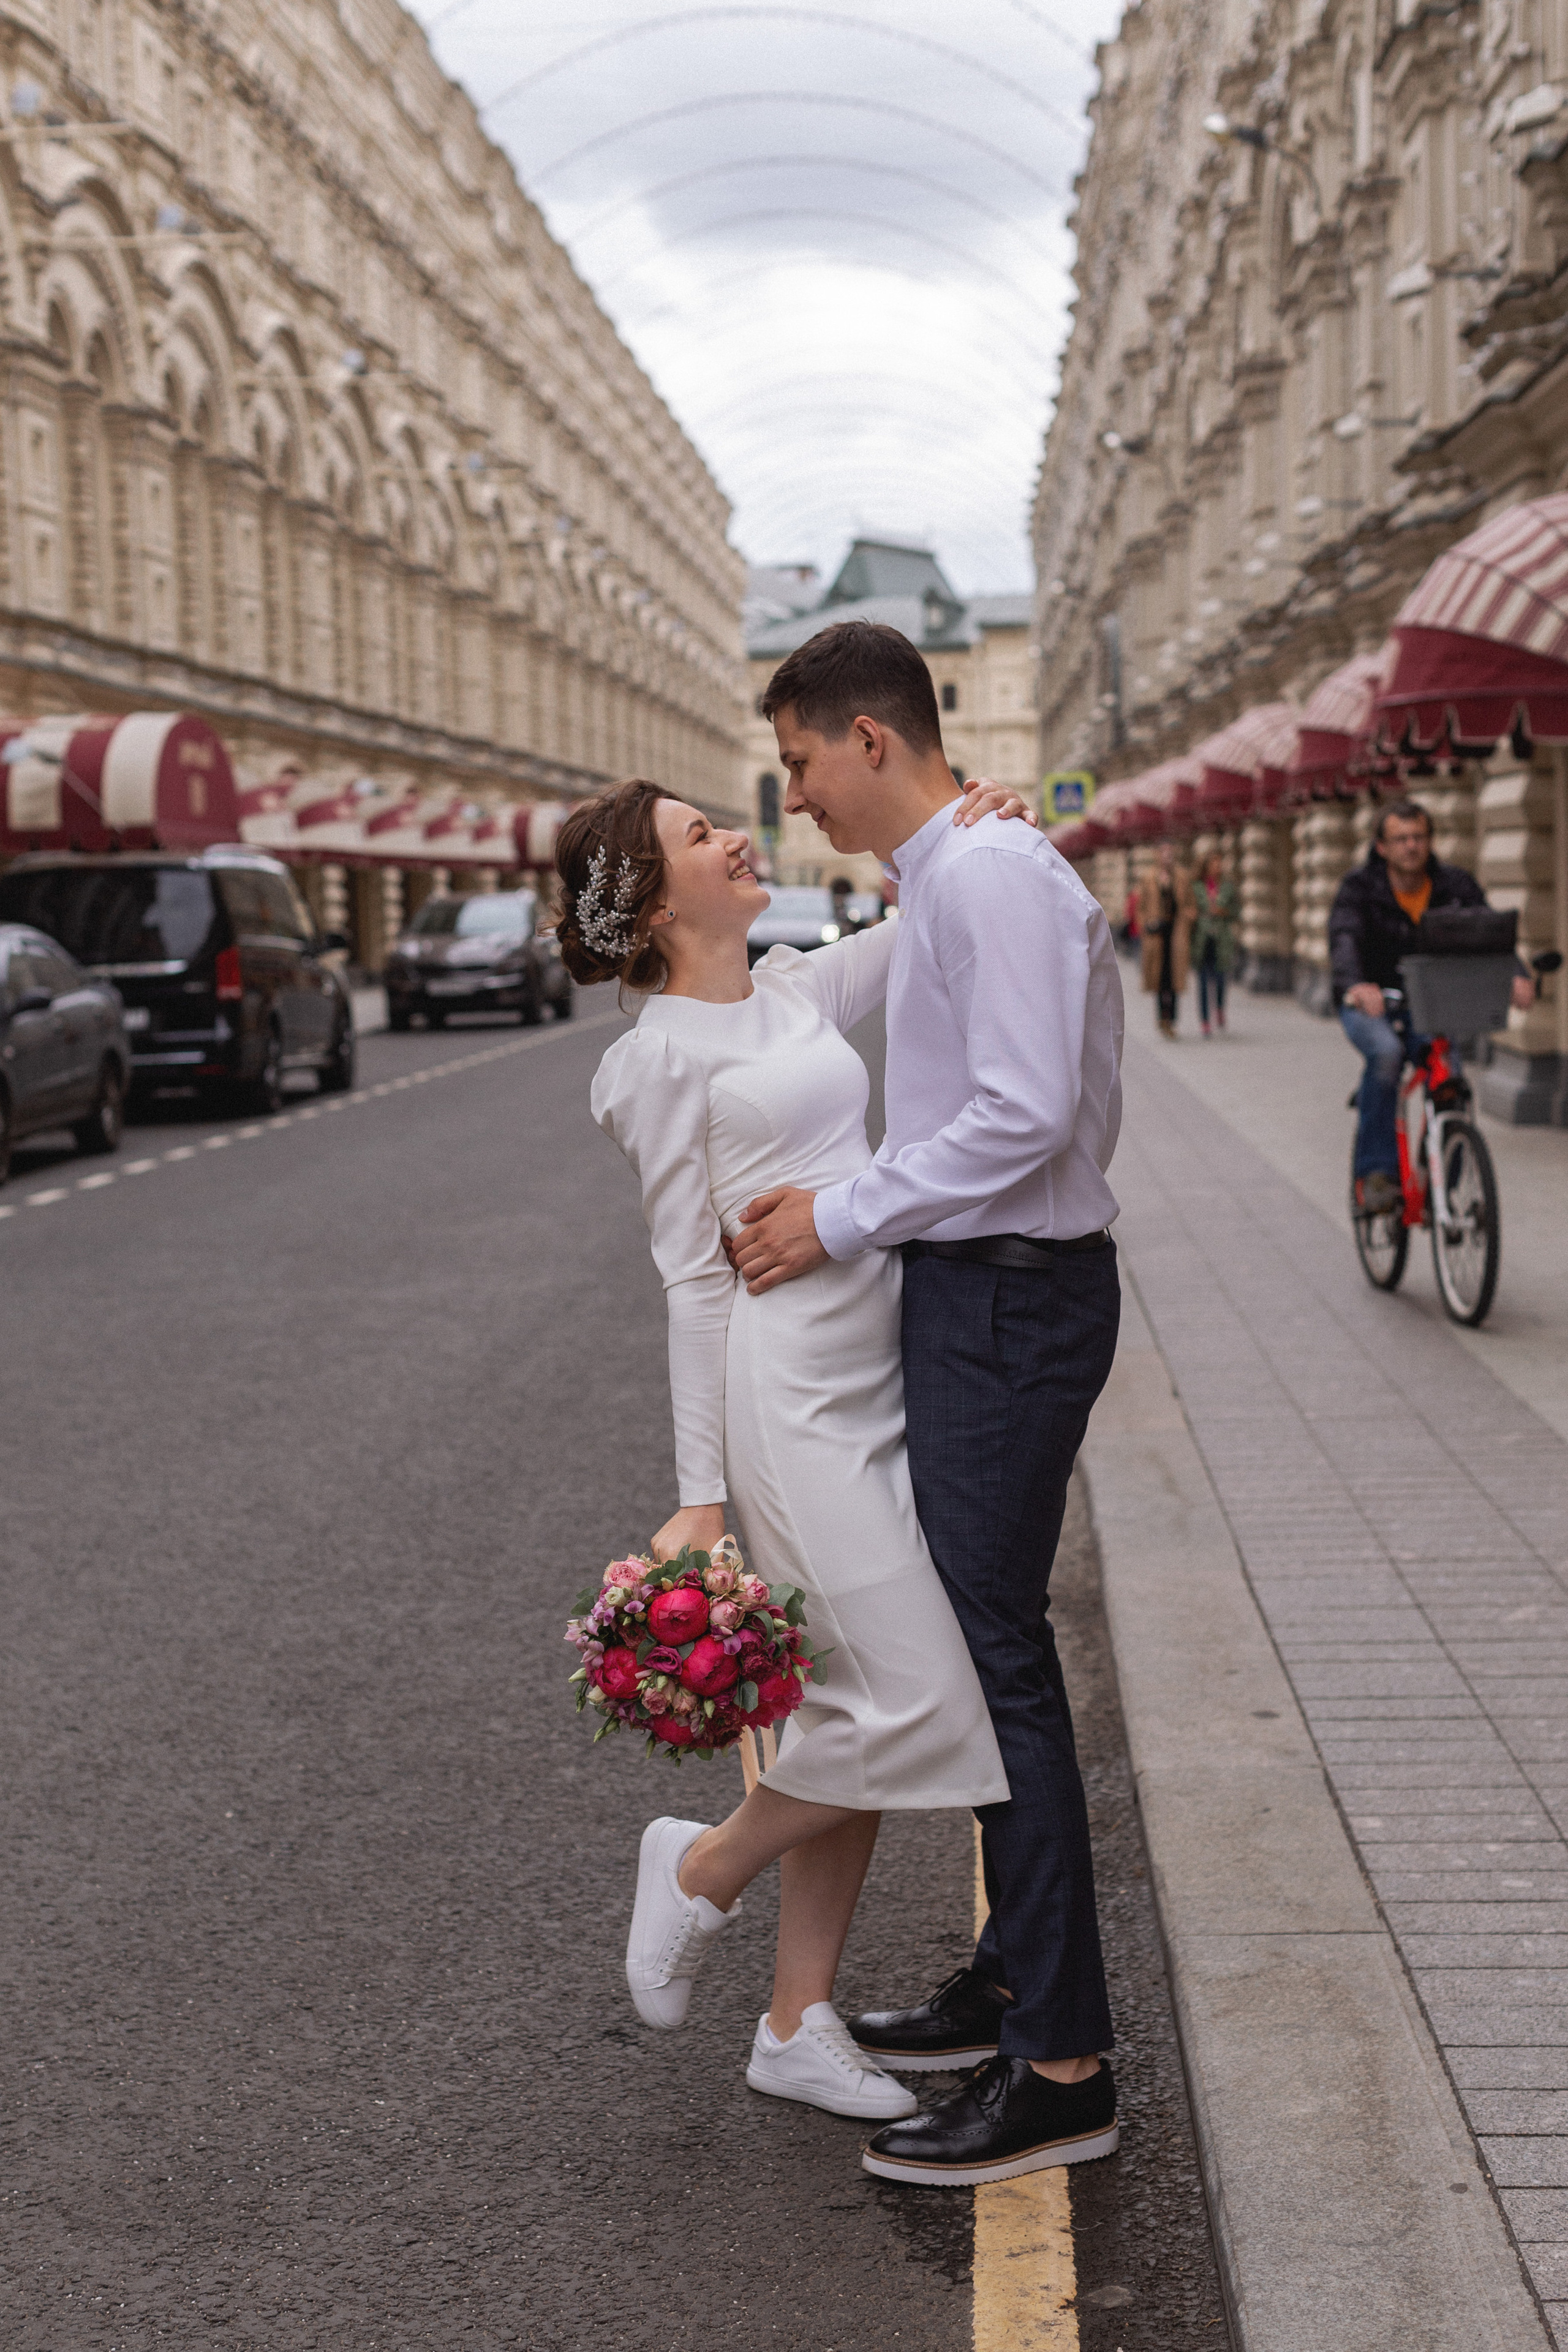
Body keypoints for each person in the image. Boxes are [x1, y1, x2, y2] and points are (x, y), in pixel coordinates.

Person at [559, 767, 1036, 2135]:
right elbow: (690, 1283)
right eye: (698, 835)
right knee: (912, 1703)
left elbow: (924, 922)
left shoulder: (787, 987)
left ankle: (792, 2023)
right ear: (653, 901)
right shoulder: (656, 1060)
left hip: (875, 1368)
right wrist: (698, 1498)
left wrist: (964, 826)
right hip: (789, 1401)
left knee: (849, 1701)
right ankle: (702, 1868)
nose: (732, 834)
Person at [730, 619, 1124, 2189]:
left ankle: (1062, 2064)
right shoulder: (954, 868)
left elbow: (1026, 1114)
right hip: (983, 1288)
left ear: (869, 740)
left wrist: (837, 1212)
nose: (797, 797)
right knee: (972, 1647)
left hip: (1012, 1289)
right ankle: (1016, 1981)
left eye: (799, 762)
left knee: (991, 1657)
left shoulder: (987, 873)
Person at [1330, 798, 1533, 1215]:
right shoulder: (1359, 888)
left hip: (1432, 1000)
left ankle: (1443, 1178)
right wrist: (1355, 984)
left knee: (1449, 1078)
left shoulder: (1454, 885)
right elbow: (1344, 939)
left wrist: (1516, 974)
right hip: (1371, 1003)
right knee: (1386, 1056)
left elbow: (1489, 931)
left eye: (1419, 837)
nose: (1411, 846)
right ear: (1382, 847)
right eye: (1400, 839)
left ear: (1430, 841)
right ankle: (1377, 1176)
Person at [1136, 843, 1194, 1036]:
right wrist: (1146, 926)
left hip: (1176, 934)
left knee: (1175, 979)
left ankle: (1173, 1020)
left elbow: (1191, 906)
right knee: (1159, 978)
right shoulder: (1149, 878)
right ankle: (1162, 1017)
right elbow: (1141, 907)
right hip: (1157, 936)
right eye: (1164, 854)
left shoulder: (1183, 877)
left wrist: (1187, 920)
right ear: (1157, 856)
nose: (1167, 857)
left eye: (1170, 854)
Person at [1193, 852, 1240, 1036]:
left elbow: (1237, 912)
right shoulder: (1197, 887)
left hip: (1222, 940)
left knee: (1221, 979)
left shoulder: (1228, 887)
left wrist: (1223, 911)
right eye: (1214, 863)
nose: (1217, 867)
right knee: (1203, 982)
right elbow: (1191, 910)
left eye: (1219, 863)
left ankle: (1219, 1008)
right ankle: (1205, 1020)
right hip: (1202, 940)